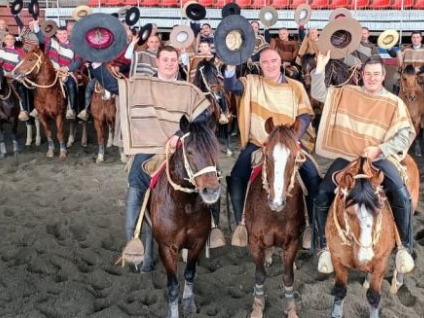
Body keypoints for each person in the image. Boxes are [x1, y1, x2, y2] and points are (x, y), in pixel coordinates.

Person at [310, 51, 417, 275]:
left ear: (383, 75)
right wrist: (320, 67)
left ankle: (404, 248)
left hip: (378, 160)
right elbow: (319, 93)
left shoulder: (394, 102)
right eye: (368, 74)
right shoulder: (348, 93)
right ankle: (322, 248)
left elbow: (406, 135)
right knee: (322, 193)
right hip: (348, 156)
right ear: (362, 74)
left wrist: (380, 149)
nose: (371, 78)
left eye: (376, 74)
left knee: (401, 193)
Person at [121, 45, 216, 270]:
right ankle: (133, 235)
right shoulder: (143, 86)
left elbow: (203, 113)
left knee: (210, 173)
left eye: (173, 60)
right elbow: (117, 88)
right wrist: (97, 63)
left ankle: (212, 228)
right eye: (165, 60)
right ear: (157, 61)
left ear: (178, 62)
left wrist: (178, 135)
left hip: (180, 145)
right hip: (149, 145)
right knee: (136, 181)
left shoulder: (187, 89)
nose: (170, 63)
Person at [223, 48, 321, 237]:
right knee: (236, 176)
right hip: (259, 142)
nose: (269, 65)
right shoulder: (251, 82)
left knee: (313, 177)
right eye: (265, 62)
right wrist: (230, 65)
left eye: (273, 61)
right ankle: (241, 224)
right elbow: (232, 86)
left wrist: (293, 138)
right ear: (260, 65)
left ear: (281, 63)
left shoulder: (296, 86)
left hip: (289, 143)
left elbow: (305, 115)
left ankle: (311, 227)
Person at [78, 30, 138, 122]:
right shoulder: (111, 47)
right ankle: (86, 109)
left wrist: (119, 69)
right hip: (106, 72)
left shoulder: (132, 49)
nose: (127, 37)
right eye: (125, 35)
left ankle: (127, 113)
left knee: (125, 91)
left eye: (130, 36)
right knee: (90, 85)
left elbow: (131, 65)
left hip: (122, 75)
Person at [30, 19, 82, 120]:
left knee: (71, 85)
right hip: (50, 71)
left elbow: (78, 61)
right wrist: (36, 25)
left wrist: (67, 68)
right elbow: (41, 37)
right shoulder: (51, 41)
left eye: (64, 34)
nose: (62, 36)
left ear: (68, 34)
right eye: (60, 34)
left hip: (66, 72)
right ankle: (37, 108)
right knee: (35, 84)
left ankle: (72, 109)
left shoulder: (75, 46)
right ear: (56, 35)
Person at [397, 31, 424, 117]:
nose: (415, 39)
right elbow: (396, 54)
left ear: (421, 39)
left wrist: (420, 69)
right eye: (413, 37)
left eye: (417, 37)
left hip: (422, 74)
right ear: (411, 39)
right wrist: (389, 49)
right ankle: (396, 106)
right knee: (397, 84)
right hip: (408, 74)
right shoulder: (405, 49)